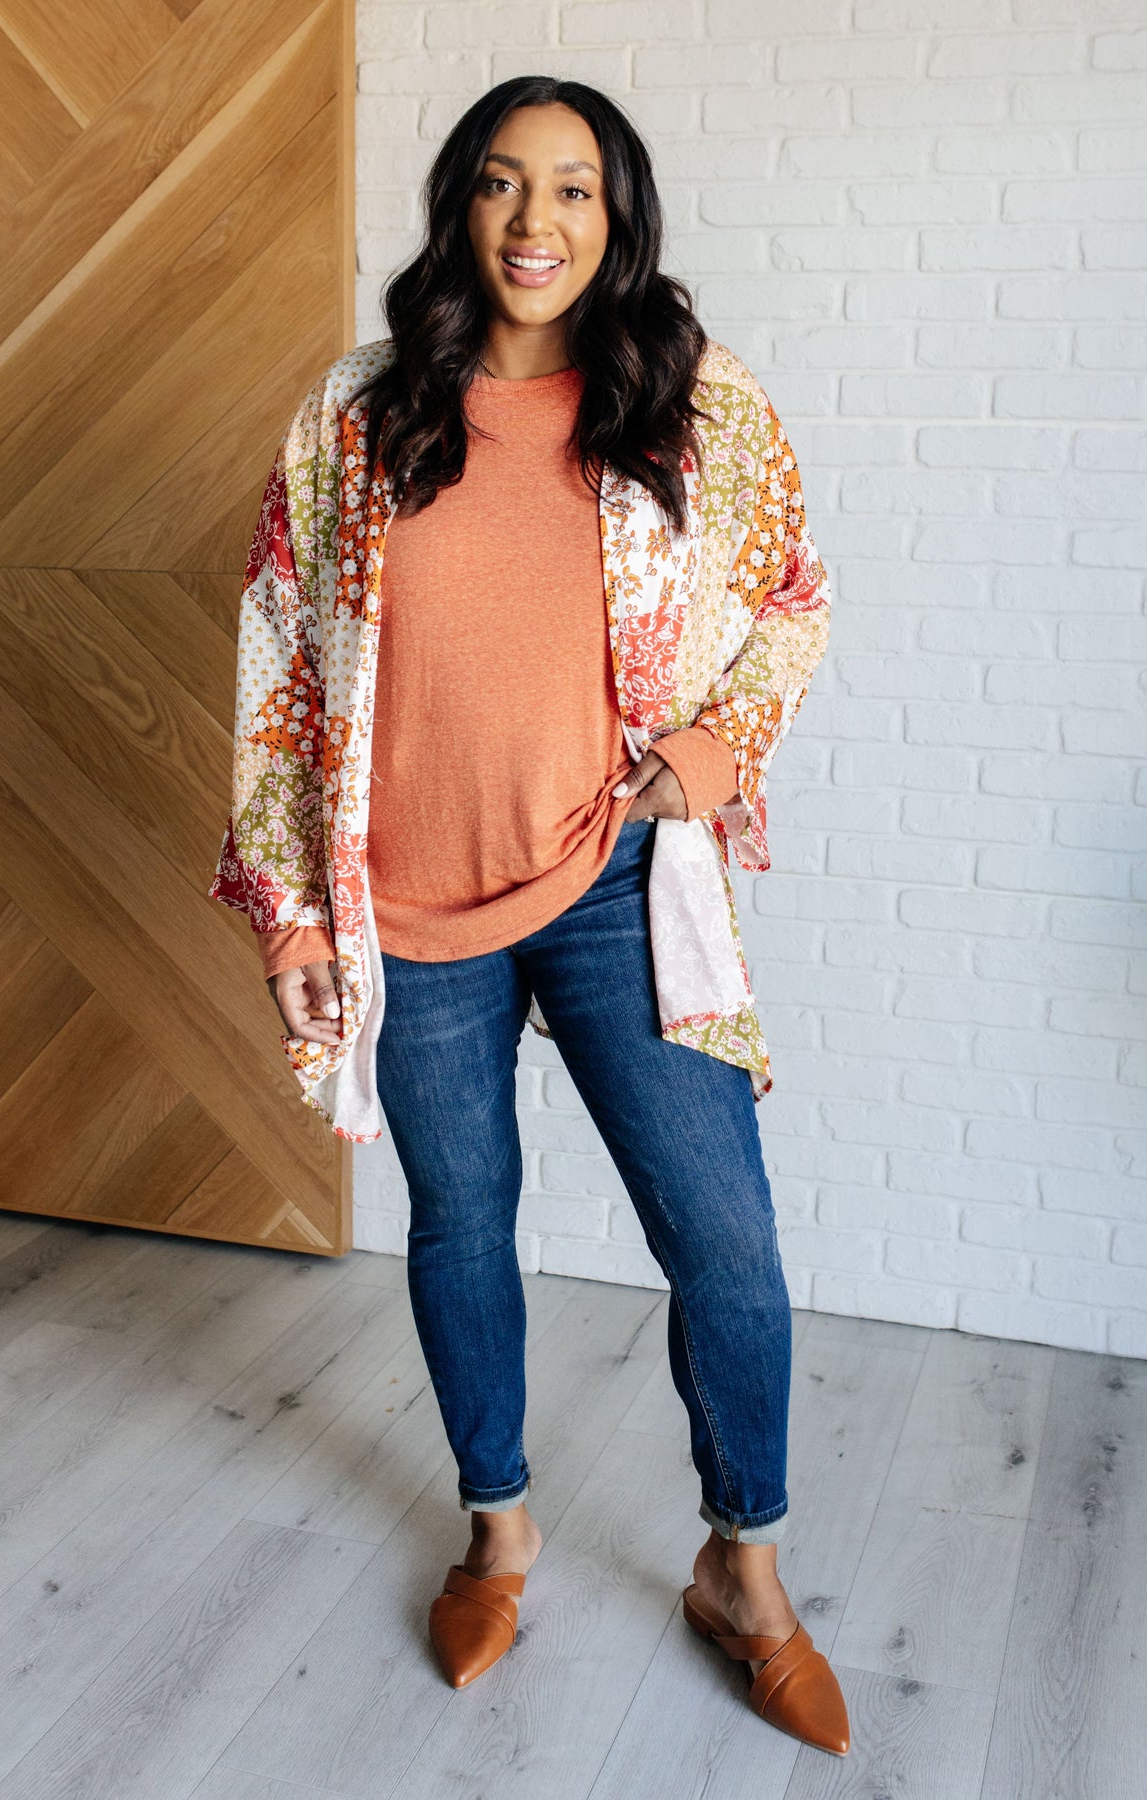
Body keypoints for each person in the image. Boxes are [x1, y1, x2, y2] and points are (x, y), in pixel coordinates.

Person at [210, 76, 847, 1757]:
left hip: (616, 882)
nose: (534, 221)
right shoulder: (357, 413)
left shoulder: (691, 401)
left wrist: (710, 755)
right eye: (501, 184)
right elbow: (278, 649)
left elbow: (793, 598)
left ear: (616, 215)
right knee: (460, 1225)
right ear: (460, 208)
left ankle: (745, 1571)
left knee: (726, 1245)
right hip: (406, 909)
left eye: (572, 188)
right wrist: (291, 916)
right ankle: (498, 1531)